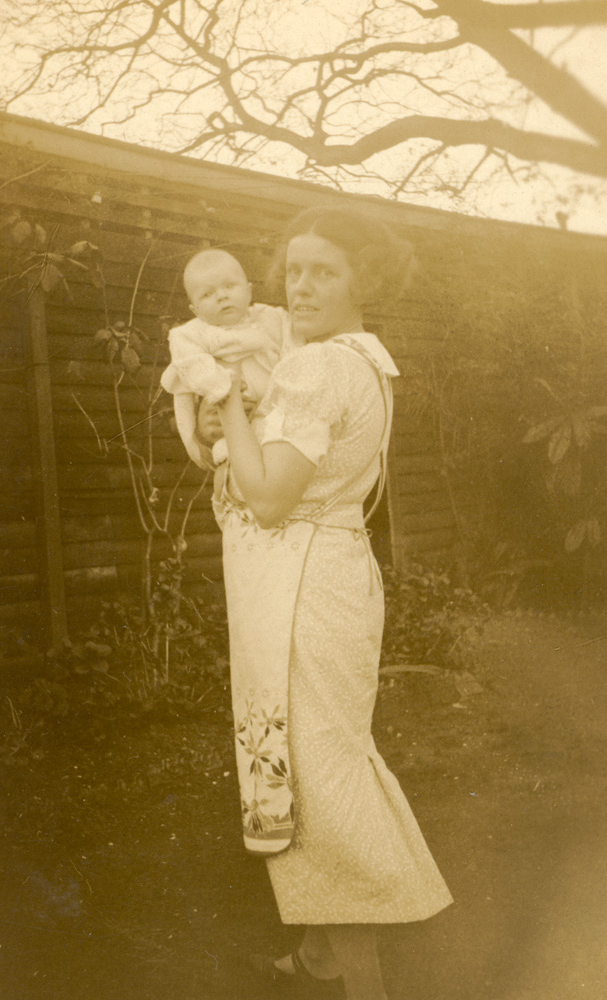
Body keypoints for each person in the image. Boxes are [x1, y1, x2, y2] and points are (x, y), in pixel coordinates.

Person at [204, 207, 453, 1000]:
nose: (301, 284)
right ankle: (317, 954)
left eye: (326, 271)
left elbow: (270, 497)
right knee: (320, 752)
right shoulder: (364, 361)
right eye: (296, 268)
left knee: (317, 772)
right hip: (336, 569)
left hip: (302, 583)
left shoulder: (315, 369)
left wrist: (231, 408)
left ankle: (367, 989)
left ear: (361, 282)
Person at [160, 248, 292, 469]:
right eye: (207, 294)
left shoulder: (271, 318)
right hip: (226, 407)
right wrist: (219, 386)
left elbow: (293, 345)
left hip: (273, 409)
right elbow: (190, 369)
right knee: (227, 450)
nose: (222, 296)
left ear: (249, 292)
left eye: (230, 286)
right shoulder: (190, 334)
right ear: (195, 309)